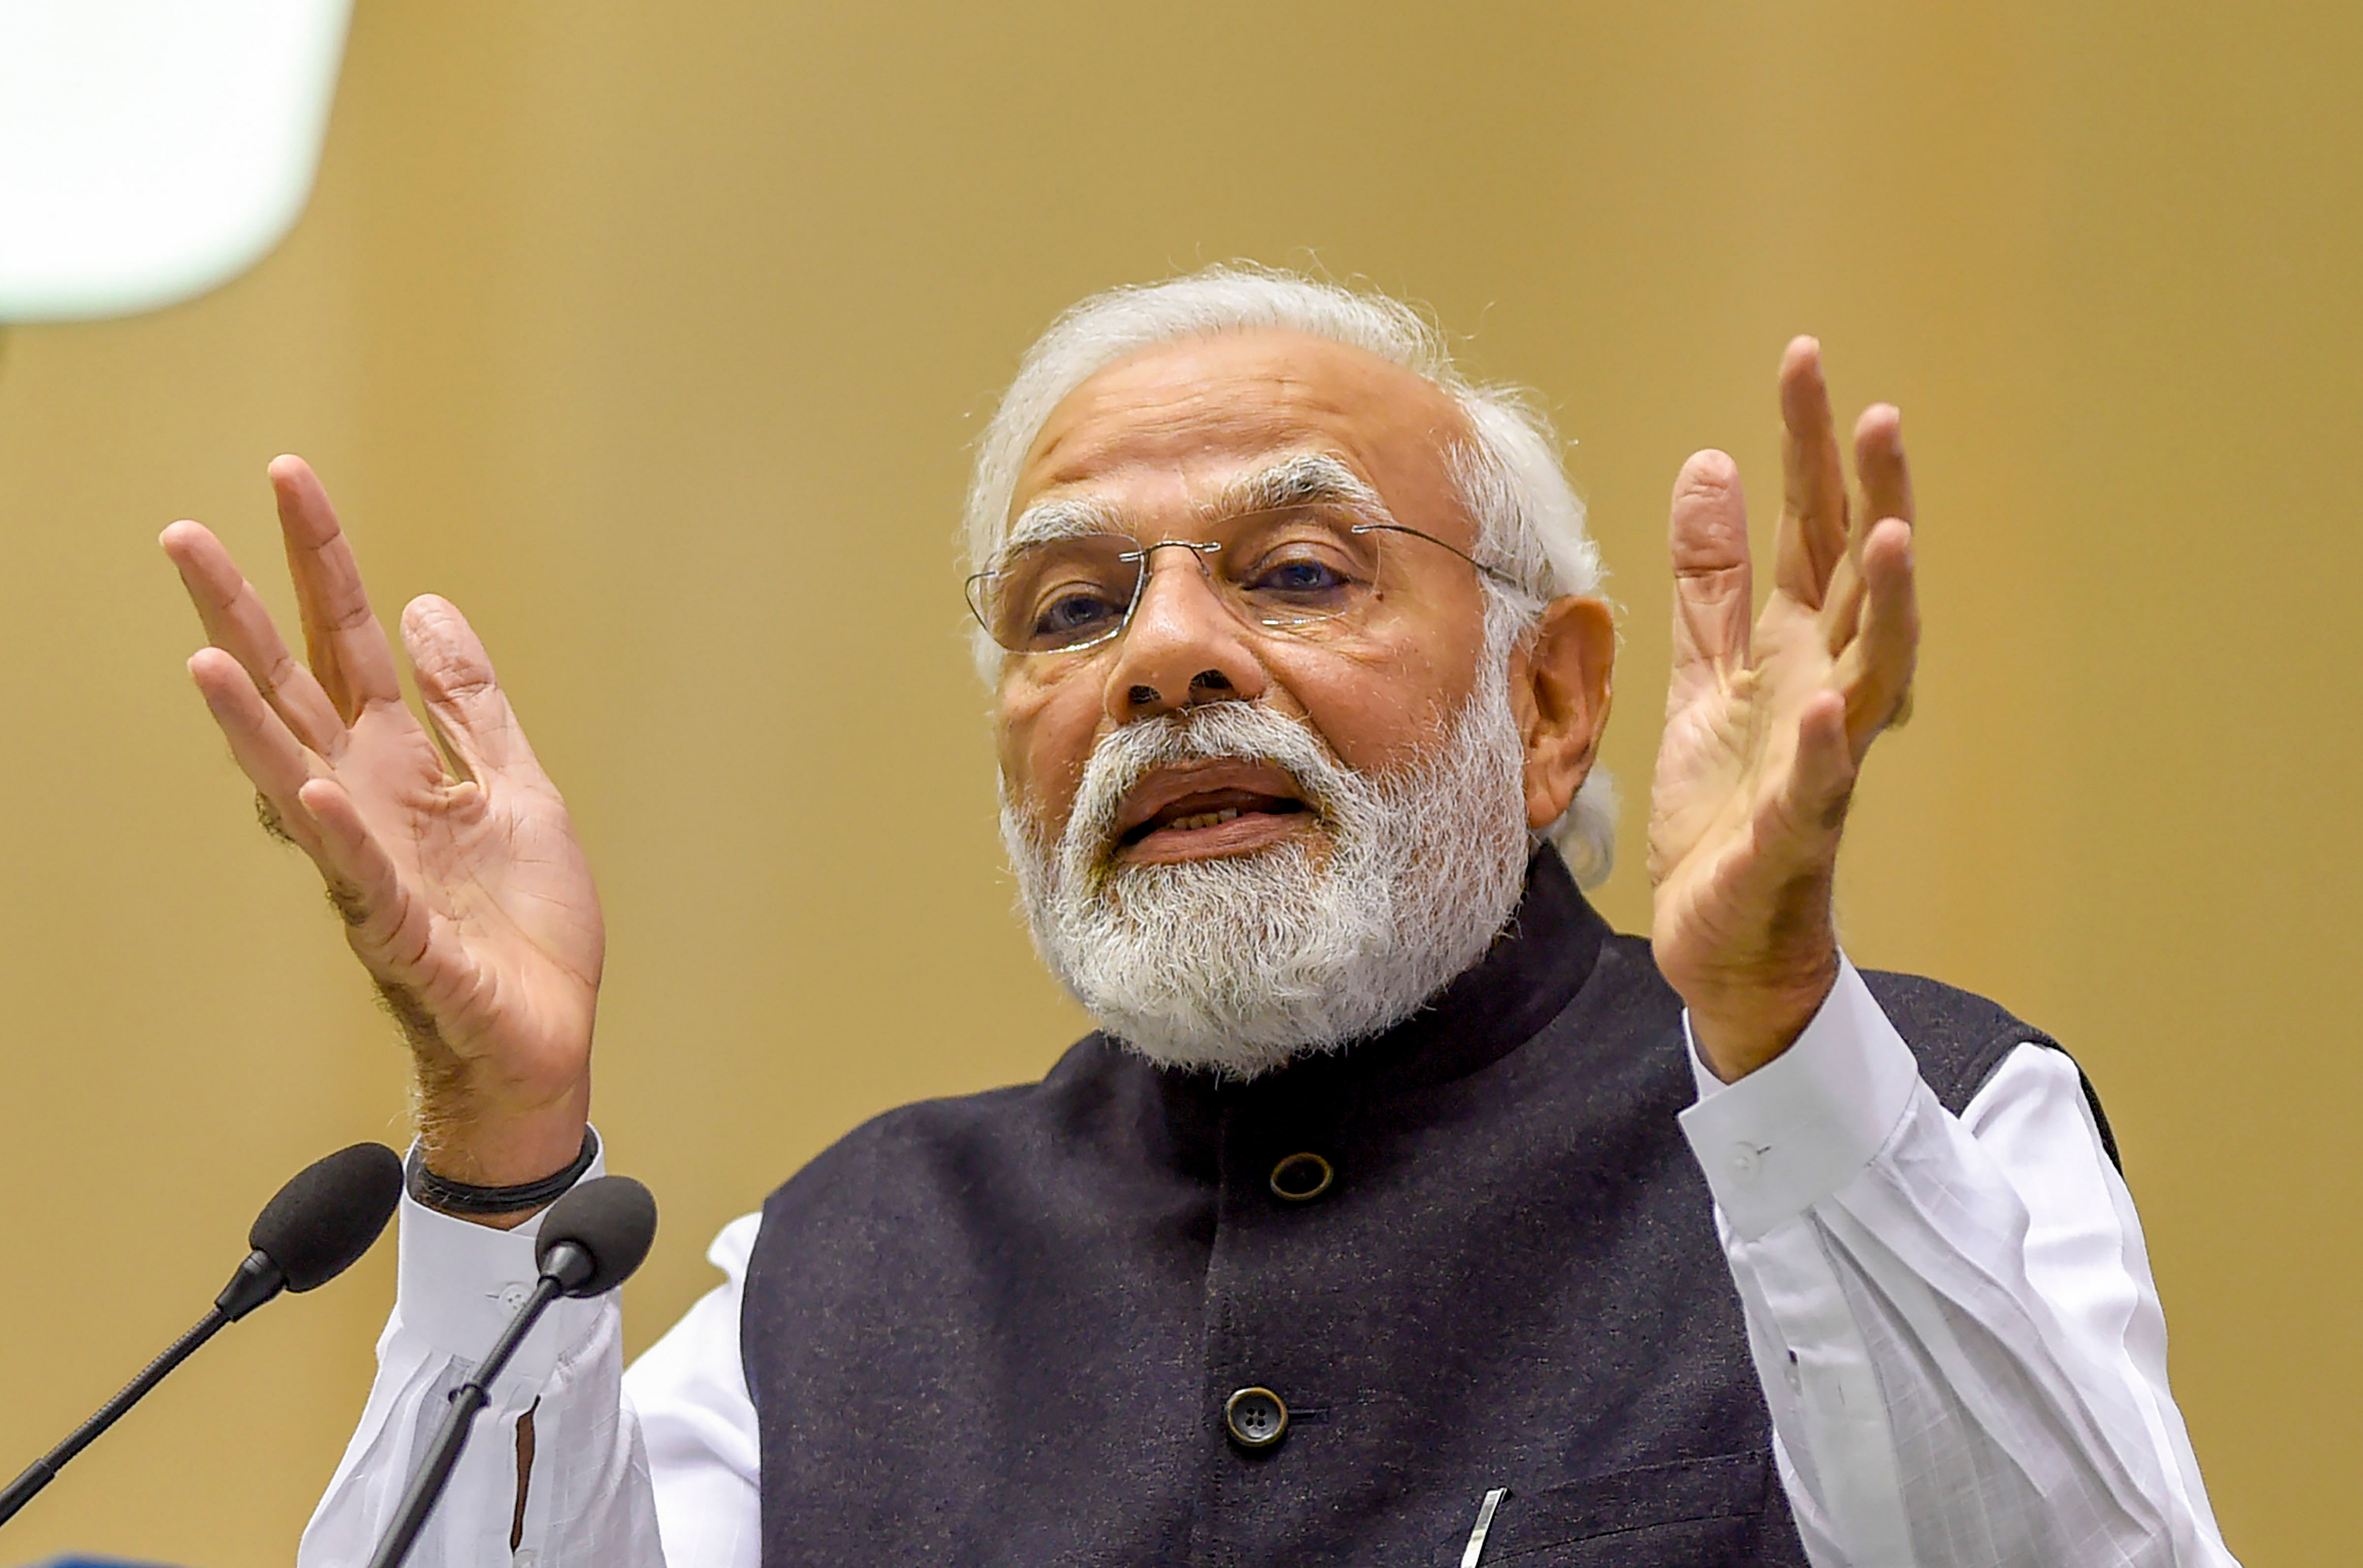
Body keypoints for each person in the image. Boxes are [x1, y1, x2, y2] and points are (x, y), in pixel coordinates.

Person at [161, 269, 2237, 1566]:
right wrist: (501, 1129)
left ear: (1550, 697)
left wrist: (1778, 1017)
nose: (1165, 657)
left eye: (1302, 571)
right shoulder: (855, 1258)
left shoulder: (1939, 1116)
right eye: (1074, 606)